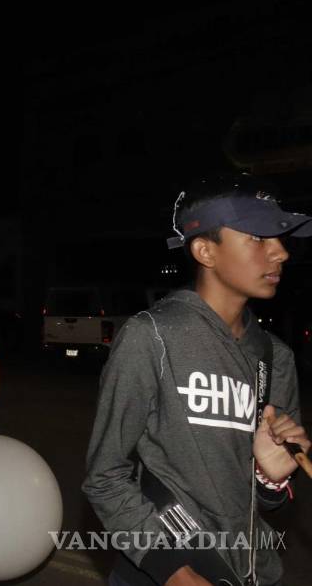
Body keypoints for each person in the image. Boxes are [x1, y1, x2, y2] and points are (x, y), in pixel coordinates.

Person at [83, 175, 311, 586]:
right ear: (205, 250)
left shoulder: (276, 358)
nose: (280, 253)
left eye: (279, 239)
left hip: (251, 572)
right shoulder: (150, 336)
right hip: (163, 572)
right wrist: (172, 572)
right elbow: (105, 477)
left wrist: (271, 478)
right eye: (259, 238)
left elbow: (270, 504)